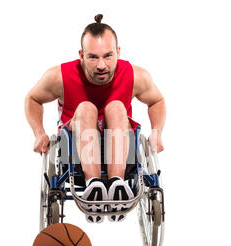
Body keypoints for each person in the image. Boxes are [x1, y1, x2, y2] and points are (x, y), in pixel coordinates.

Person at [25, 14, 166, 223]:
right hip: (75, 150)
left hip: (121, 147)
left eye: (108, 56)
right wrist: (39, 133)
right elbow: (33, 98)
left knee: (117, 107)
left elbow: (157, 101)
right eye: (93, 57)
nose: (101, 65)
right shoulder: (60, 76)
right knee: (86, 108)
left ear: (118, 52)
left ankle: (116, 185)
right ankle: (94, 188)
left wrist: (156, 132)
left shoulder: (135, 75)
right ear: (81, 55)